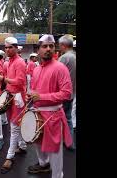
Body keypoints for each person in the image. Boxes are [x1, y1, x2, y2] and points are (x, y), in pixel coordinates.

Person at [26, 34, 73, 178]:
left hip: (53, 116)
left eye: (51, 46)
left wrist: (41, 97)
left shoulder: (60, 68)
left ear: (55, 48)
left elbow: (67, 94)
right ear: (38, 49)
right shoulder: (36, 69)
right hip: (37, 113)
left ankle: (58, 175)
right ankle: (43, 164)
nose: (48, 49)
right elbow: (34, 90)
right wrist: (30, 98)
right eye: (44, 46)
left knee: (55, 151)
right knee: (38, 143)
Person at [0, 37, 27, 174]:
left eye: (10, 47)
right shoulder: (7, 63)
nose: (7, 49)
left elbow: (20, 82)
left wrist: (3, 79)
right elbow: (5, 81)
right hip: (9, 96)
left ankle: (9, 156)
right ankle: (23, 146)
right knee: (17, 124)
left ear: (16, 48)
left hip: (18, 98)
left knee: (14, 127)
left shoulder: (20, 63)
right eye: (6, 47)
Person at [58, 35, 76, 150]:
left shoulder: (64, 58)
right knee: (68, 118)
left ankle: (59, 142)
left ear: (63, 45)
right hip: (71, 93)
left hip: (62, 94)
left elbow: (55, 74)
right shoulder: (74, 56)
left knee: (58, 118)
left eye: (59, 45)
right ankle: (70, 143)